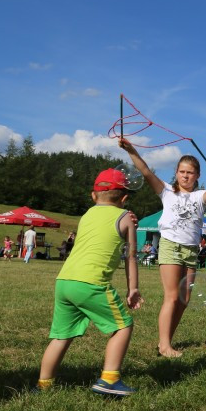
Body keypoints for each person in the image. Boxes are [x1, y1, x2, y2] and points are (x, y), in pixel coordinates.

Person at [36, 168, 143, 396]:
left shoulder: (86, 215)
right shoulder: (126, 218)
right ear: (124, 198)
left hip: (64, 281)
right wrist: (133, 288)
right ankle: (109, 380)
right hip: (91, 283)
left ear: (93, 196)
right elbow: (131, 256)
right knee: (123, 326)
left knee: (61, 336)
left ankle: (43, 386)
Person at [120, 138, 206, 358]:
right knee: (172, 296)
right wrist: (132, 150)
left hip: (190, 250)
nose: (186, 176)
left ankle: (165, 342)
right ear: (176, 172)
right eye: (182, 171)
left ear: (197, 176)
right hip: (171, 246)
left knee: (184, 299)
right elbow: (146, 171)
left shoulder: (199, 196)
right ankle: (165, 346)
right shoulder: (167, 191)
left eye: (190, 173)